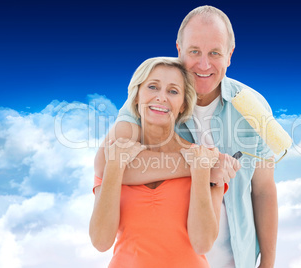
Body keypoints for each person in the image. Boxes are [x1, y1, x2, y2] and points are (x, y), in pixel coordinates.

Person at [94, 5, 278, 268]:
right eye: (194, 52)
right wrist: (202, 165)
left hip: (238, 259)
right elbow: (106, 163)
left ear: (229, 55)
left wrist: (268, 263)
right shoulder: (154, 103)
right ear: (179, 50)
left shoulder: (253, 107)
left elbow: (263, 191)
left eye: (215, 53)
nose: (204, 64)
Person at [90, 57, 228, 267]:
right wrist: (115, 167)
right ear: (136, 97)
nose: (161, 97)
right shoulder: (115, 156)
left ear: (183, 105)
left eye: (173, 91)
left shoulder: (205, 158)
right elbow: (101, 242)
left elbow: (202, 244)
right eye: (153, 87)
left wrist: (200, 171)